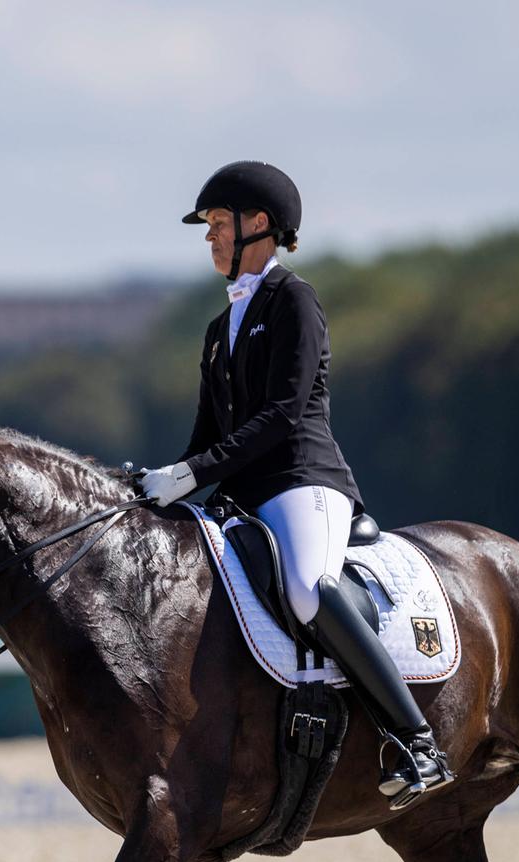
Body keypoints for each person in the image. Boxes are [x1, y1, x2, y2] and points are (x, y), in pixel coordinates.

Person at [140, 160, 453, 808]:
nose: (209, 239)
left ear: (260, 226)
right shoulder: (218, 327)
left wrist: (194, 474)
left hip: (302, 481)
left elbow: (282, 414)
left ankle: (415, 739)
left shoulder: (294, 301)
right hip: (243, 495)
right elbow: (206, 435)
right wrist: (155, 483)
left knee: (309, 588)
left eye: (218, 224)